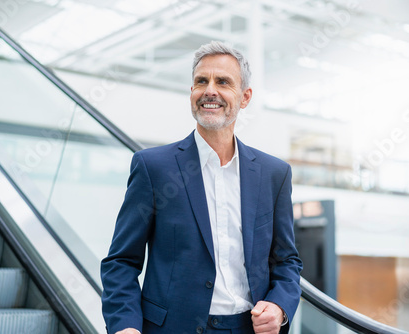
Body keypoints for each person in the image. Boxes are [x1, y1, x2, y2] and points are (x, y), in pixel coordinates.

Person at [101, 41, 302, 334]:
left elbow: (287, 261)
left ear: (245, 97)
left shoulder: (274, 174)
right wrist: (125, 326)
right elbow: (121, 260)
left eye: (223, 82)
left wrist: (279, 305)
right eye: (201, 81)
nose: (210, 90)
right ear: (191, 92)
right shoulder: (153, 167)